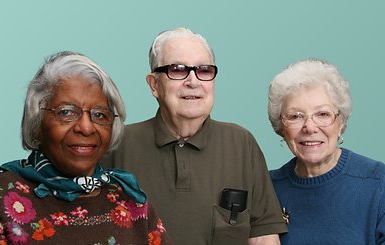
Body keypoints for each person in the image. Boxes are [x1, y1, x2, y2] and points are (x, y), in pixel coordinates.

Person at [0, 51, 172, 245]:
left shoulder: (131, 200)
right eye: (66, 112)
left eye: (99, 115)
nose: (86, 128)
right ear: (36, 124)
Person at [100, 27, 287, 245]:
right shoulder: (116, 144)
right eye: (178, 70)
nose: (193, 81)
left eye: (204, 70)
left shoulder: (242, 144)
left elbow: (263, 237)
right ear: (154, 84)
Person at [266, 58, 385, 245]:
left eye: (323, 114)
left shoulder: (379, 183)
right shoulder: (265, 189)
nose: (310, 127)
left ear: (341, 124)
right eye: (295, 116)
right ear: (281, 128)